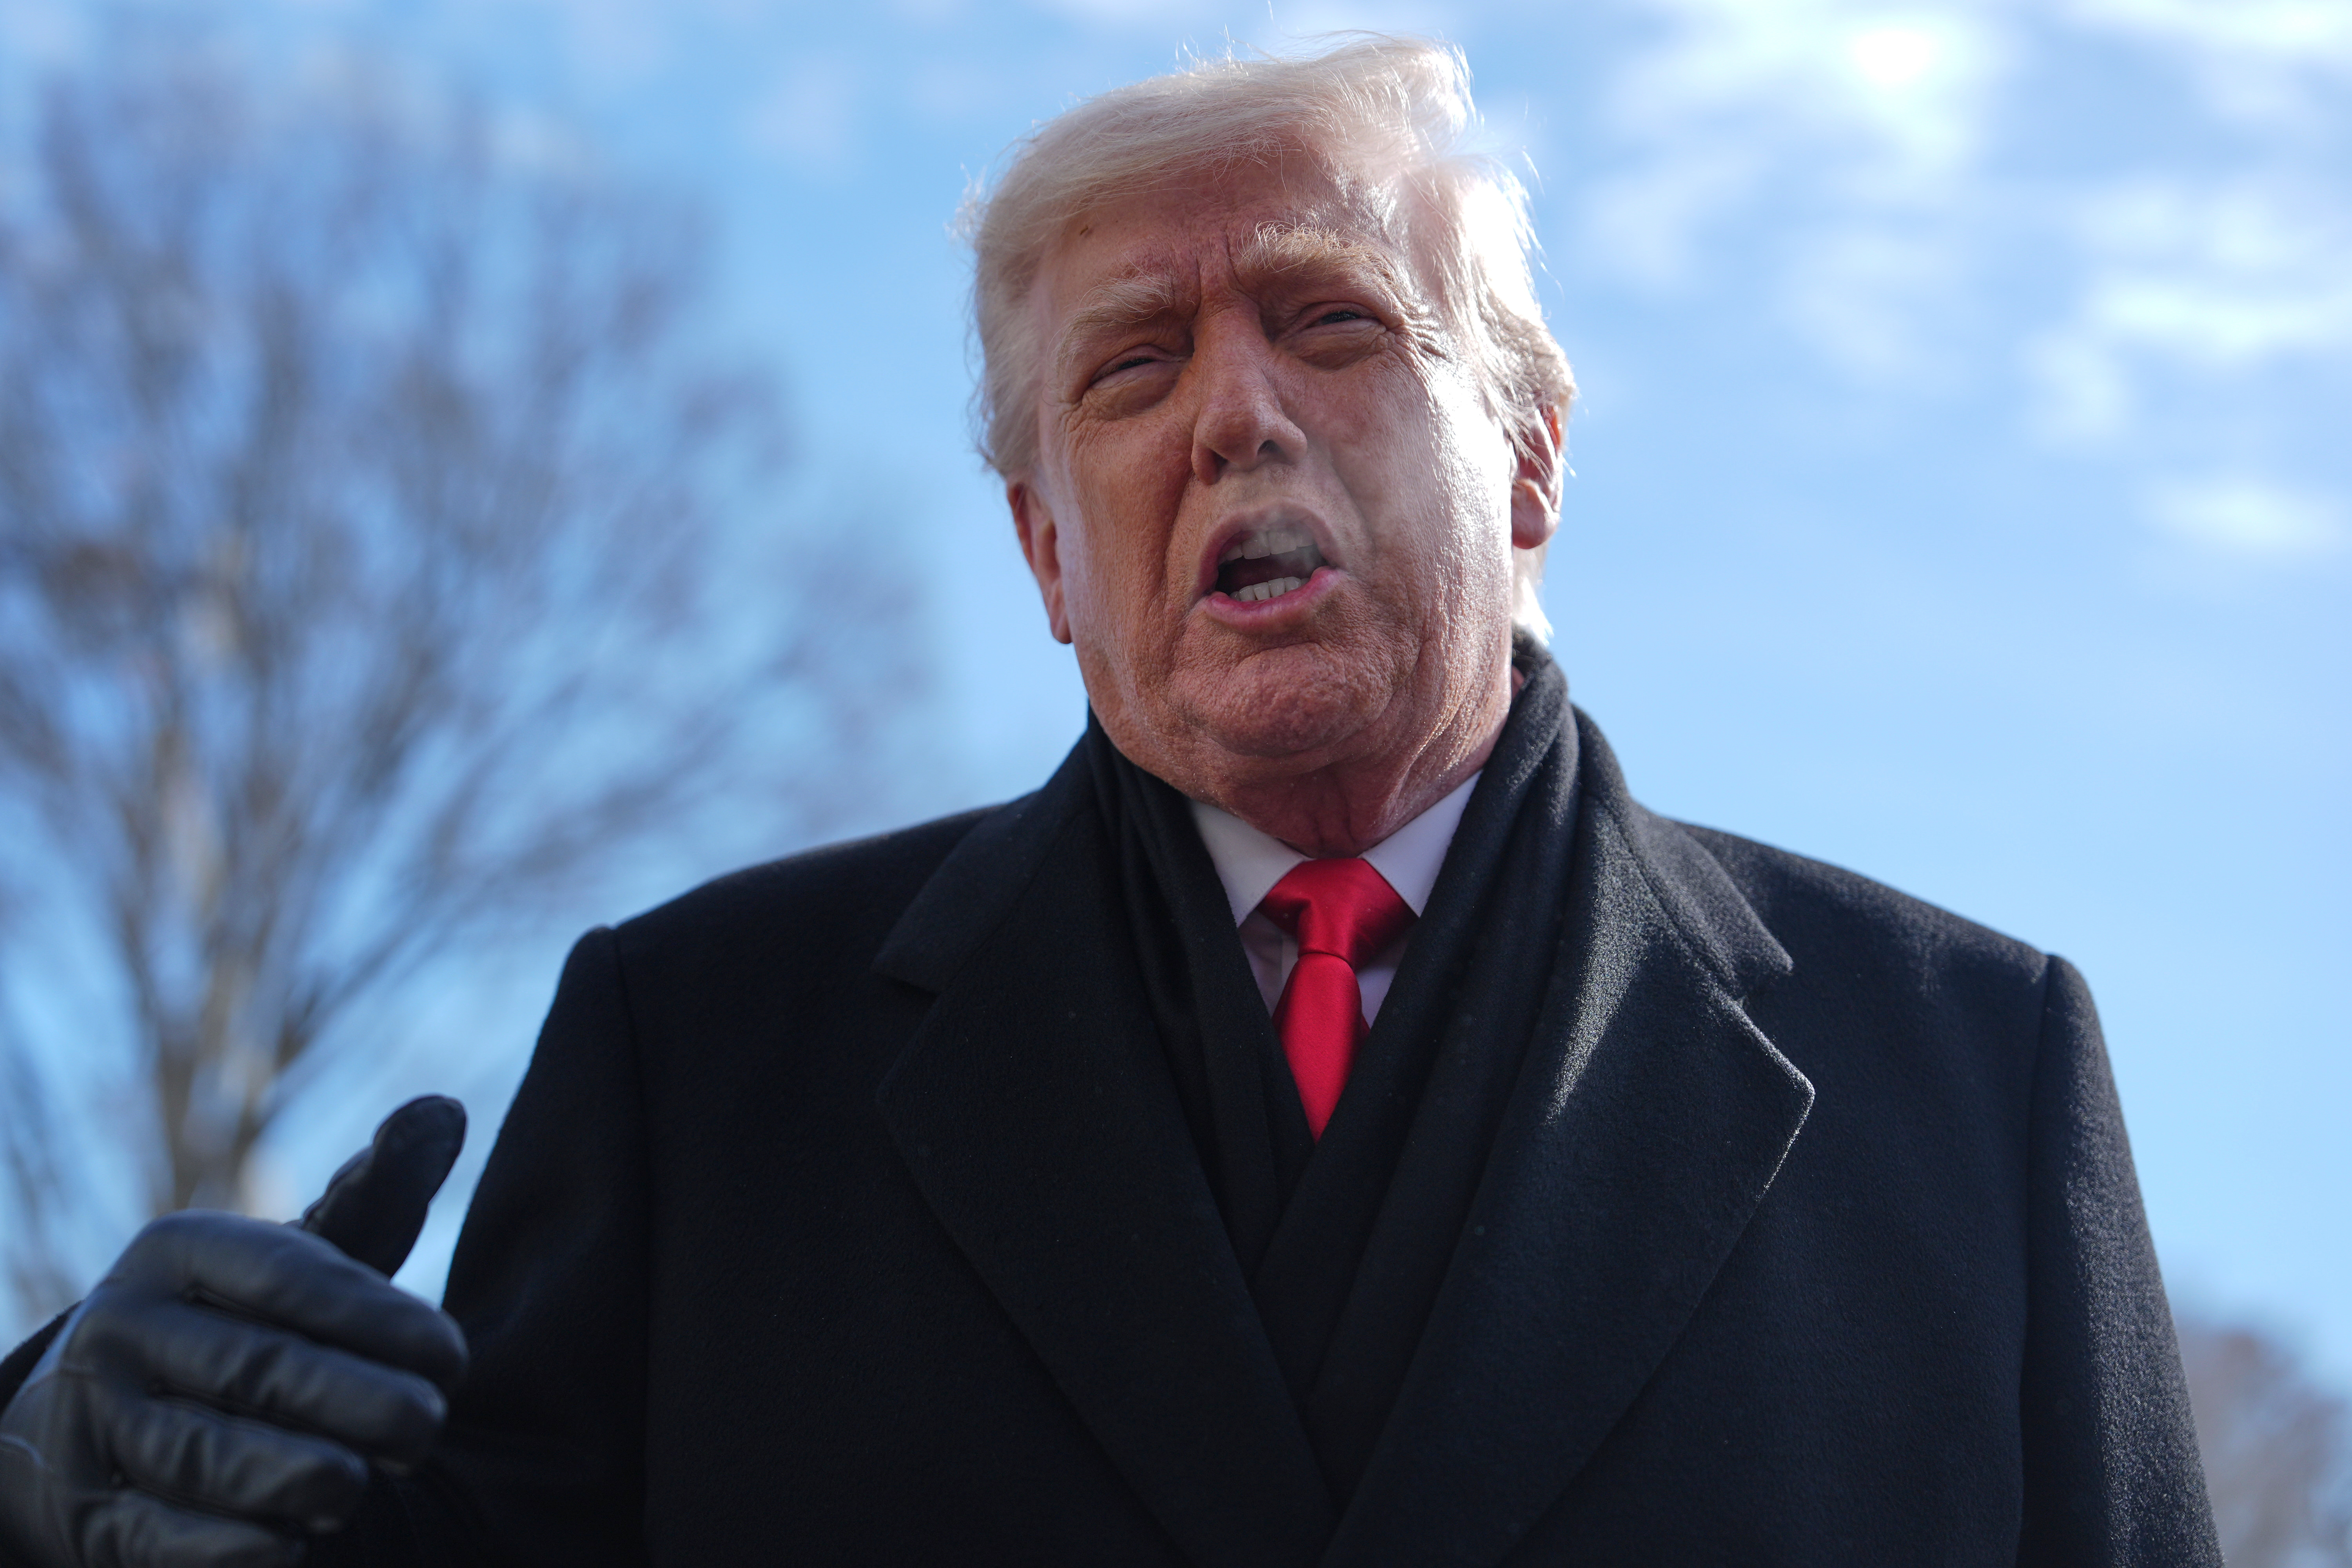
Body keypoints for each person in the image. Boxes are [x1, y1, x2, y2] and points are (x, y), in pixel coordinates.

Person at [0, 36, 2220, 1568]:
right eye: (1134, 369)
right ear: (1049, 552)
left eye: (1332, 323)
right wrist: (42, 1474)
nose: (1235, 413)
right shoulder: (708, 1053)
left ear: (1534, 457)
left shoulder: (1964, 1070)